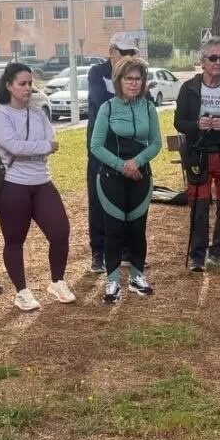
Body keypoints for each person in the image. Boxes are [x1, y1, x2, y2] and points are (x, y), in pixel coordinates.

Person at [0, 62, 76, 312]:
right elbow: (15, 147)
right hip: (13, 184)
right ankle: (21, 292)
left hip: (42, 181)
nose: (28, 88)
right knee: (15, 240)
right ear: (9, 86)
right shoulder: (0, 114)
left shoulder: (38, 113)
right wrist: (42, 147)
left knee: (60, 232)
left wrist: (40, 147)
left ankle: (57, 281)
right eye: (22, 84)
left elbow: (52, 140)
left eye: (30, 83)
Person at [89, 56, 162, 302]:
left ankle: (136, 276)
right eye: (129, 79)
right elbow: (96, 146)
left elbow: (155, 144)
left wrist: (136, 163)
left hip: (141, 174)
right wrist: (122, 166)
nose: (134, 83)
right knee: (114, 229)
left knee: (137, 228)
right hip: (111, 176)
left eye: (138, 79)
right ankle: (112, 282)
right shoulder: (107, 108)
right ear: (118, 81)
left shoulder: (149, 108)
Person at [174, 36, 220, 271]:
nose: (218, 62)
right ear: (203, 62)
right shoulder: (189, 88)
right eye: (213, 57)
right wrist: (197, 124)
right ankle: (197, 255)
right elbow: (179, 122)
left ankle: (217, 253)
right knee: (200, 206)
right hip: (199, 153)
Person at [86, 32, 141, 272]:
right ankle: (99, 252)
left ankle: (127, 250)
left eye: (132, 53)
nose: (128, 57)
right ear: (111, 52)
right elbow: (102, 105)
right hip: (102, 148)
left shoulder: (136, 76)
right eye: (124, 52)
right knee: (99, 200)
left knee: (129, 199)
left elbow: (142, 104)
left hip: (129, 148)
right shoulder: (97, 73)